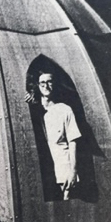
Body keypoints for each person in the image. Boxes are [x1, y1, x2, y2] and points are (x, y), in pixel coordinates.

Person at [25, 72, 81, 200]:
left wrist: (73, 171)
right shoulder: (35, 109)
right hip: (41, 167)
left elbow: (73, 141)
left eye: (49, 82)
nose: (46, 85)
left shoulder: (65, 110)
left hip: (62, 166)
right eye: (42, 83)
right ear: (38, 86)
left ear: (54, 84)